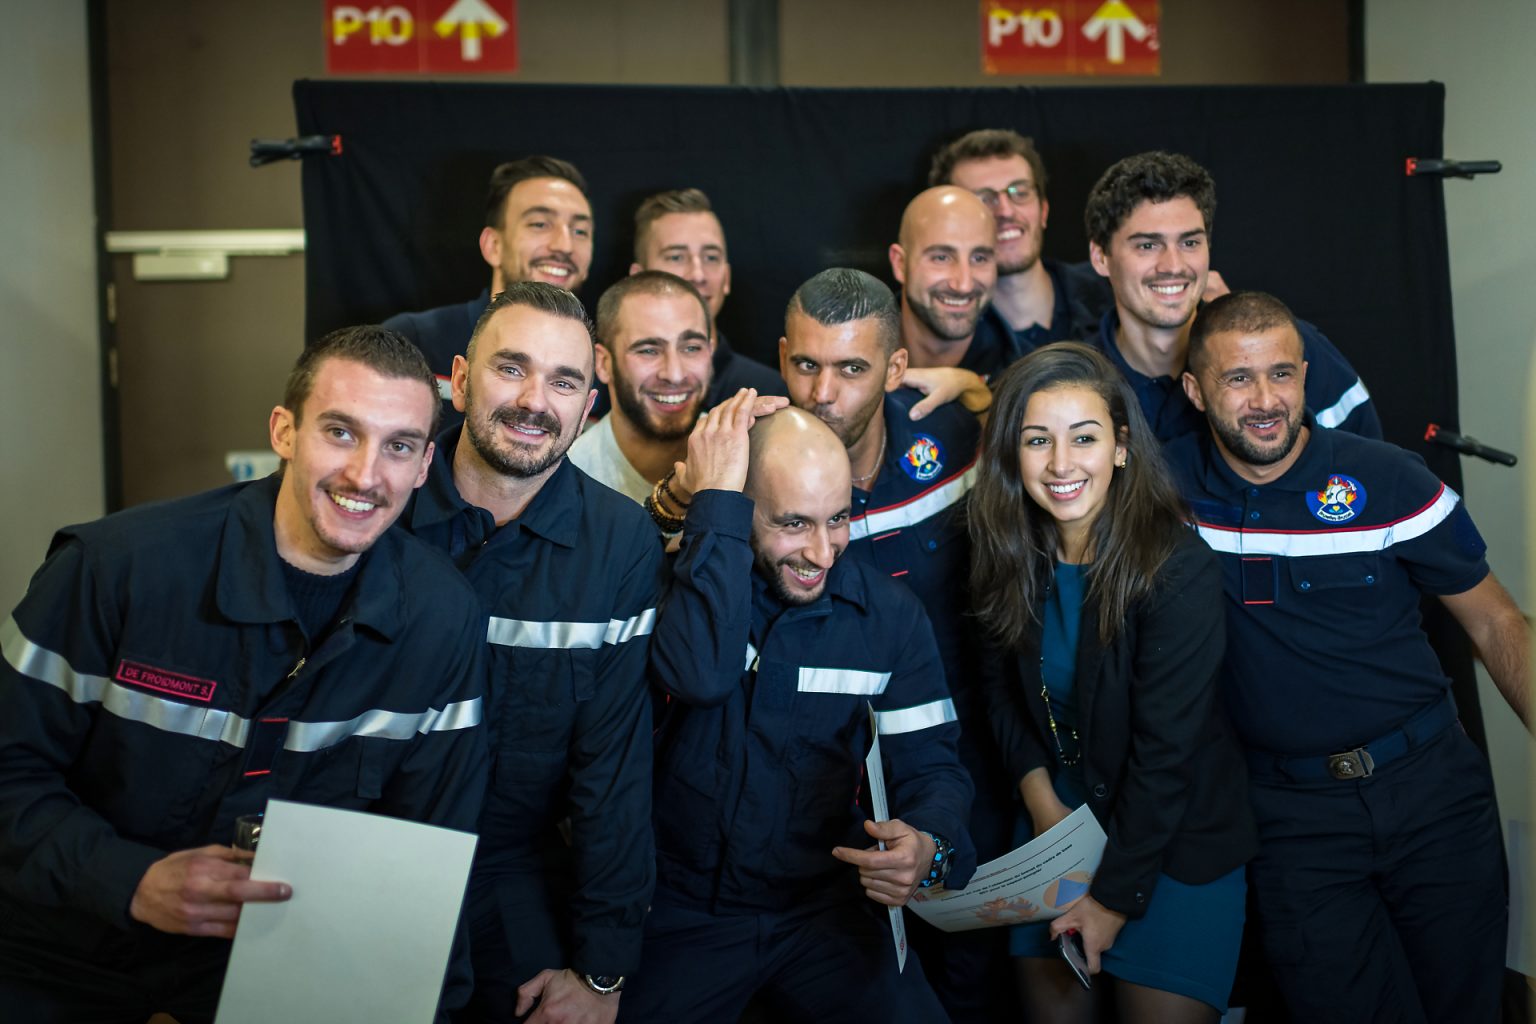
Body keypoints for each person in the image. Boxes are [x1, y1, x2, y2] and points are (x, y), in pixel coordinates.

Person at [0, 326, 488, 1023]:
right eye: (341, 433)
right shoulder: (112, 571)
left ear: (423, 464)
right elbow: (10, 774)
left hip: (271, 967)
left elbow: (431, 854)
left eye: (399, 446)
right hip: (63, 945)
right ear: (285, 431)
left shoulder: (443, 621)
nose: (366, 475)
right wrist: (129, 879)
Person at [1167, 290, 1529, 1022]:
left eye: (1282, 374)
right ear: (1196, 391)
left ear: (1306, 376)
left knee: (1469, 1006)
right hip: (1289, 820)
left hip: (1433, 795)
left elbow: (1498, 626)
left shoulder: (1390, 479)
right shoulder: (1159, 489)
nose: (1266, 399)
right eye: (1238, 379)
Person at [621, 402, 976, 1023]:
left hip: (828, 916)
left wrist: (926, 843)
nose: (822, 550)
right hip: (680, 912)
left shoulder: (890, 618)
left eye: (837, 518)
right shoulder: (675, 589)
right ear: (738, 505)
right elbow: (698, 674)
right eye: (793, 524)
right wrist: (712, 509)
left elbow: (933, 770)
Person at [398, 283, 664, 1024]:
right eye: (511, 368)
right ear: (457, 378)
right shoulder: (381, 503)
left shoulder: (619, 544)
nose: (534, 400)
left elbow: (612, 774)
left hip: (511, 863)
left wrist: (603, 970)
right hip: (363, 847)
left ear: (588, 407)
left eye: (564, 381)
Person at [970, 341, 1257, 1022]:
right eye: (1038, 440)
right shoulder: (1003, 551)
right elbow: (999, 695)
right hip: (1056, 827)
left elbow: (1166, 758)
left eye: (1085, 438)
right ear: (1013, 452)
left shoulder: (1178, 570)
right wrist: (1042, 807)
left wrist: (1108, 900)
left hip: (1171, 846)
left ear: (1121, 447)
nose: (1061, 464)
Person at [772, 267, 1010, 1021]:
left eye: (851, 368)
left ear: (897, 368)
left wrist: (980, 389)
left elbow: (1057, 431)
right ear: (781, 357)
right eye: (806, 365)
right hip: (812, 778)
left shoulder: (954, 436)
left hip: (958, 758)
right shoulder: (756, 460)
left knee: (971, 975)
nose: (822, 392)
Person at [1083, 151, 1380, 443]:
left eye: (1189, 242)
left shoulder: (1289, 348)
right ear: (1100, 257)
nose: (1173, 266)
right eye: (1147, 246)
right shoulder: (1076, 381)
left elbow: (1368, 475)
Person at [385, 155, 595, 429]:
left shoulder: (598, 369)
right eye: (540, 224)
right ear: (493, 245)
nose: (565, 245)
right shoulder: (414, 342)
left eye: (580, 231)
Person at [928, 129, 1113, 371]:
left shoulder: (1112, 293)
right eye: (983, 199)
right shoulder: (937, 327)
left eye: (1020, 192)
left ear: (1043, 210)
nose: (1005, 211)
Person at [567, 271, 716, 503]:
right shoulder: (566, 480)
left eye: (691, 348)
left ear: (711, 350)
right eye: (648, 350)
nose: (674, 375)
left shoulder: (745, 462)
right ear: (603, 363)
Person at [627, 188, 784, 404]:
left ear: (726, 277)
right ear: (638, 278)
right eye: (676, 257)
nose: (698, 275)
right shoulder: (607, 386)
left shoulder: (769, 392)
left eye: (710, 257)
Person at [888, 186, 999, 372]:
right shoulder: (848, 352)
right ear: (900, 264)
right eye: (941, 258)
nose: (964, 285)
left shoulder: (1023, 374)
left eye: (979, 258)